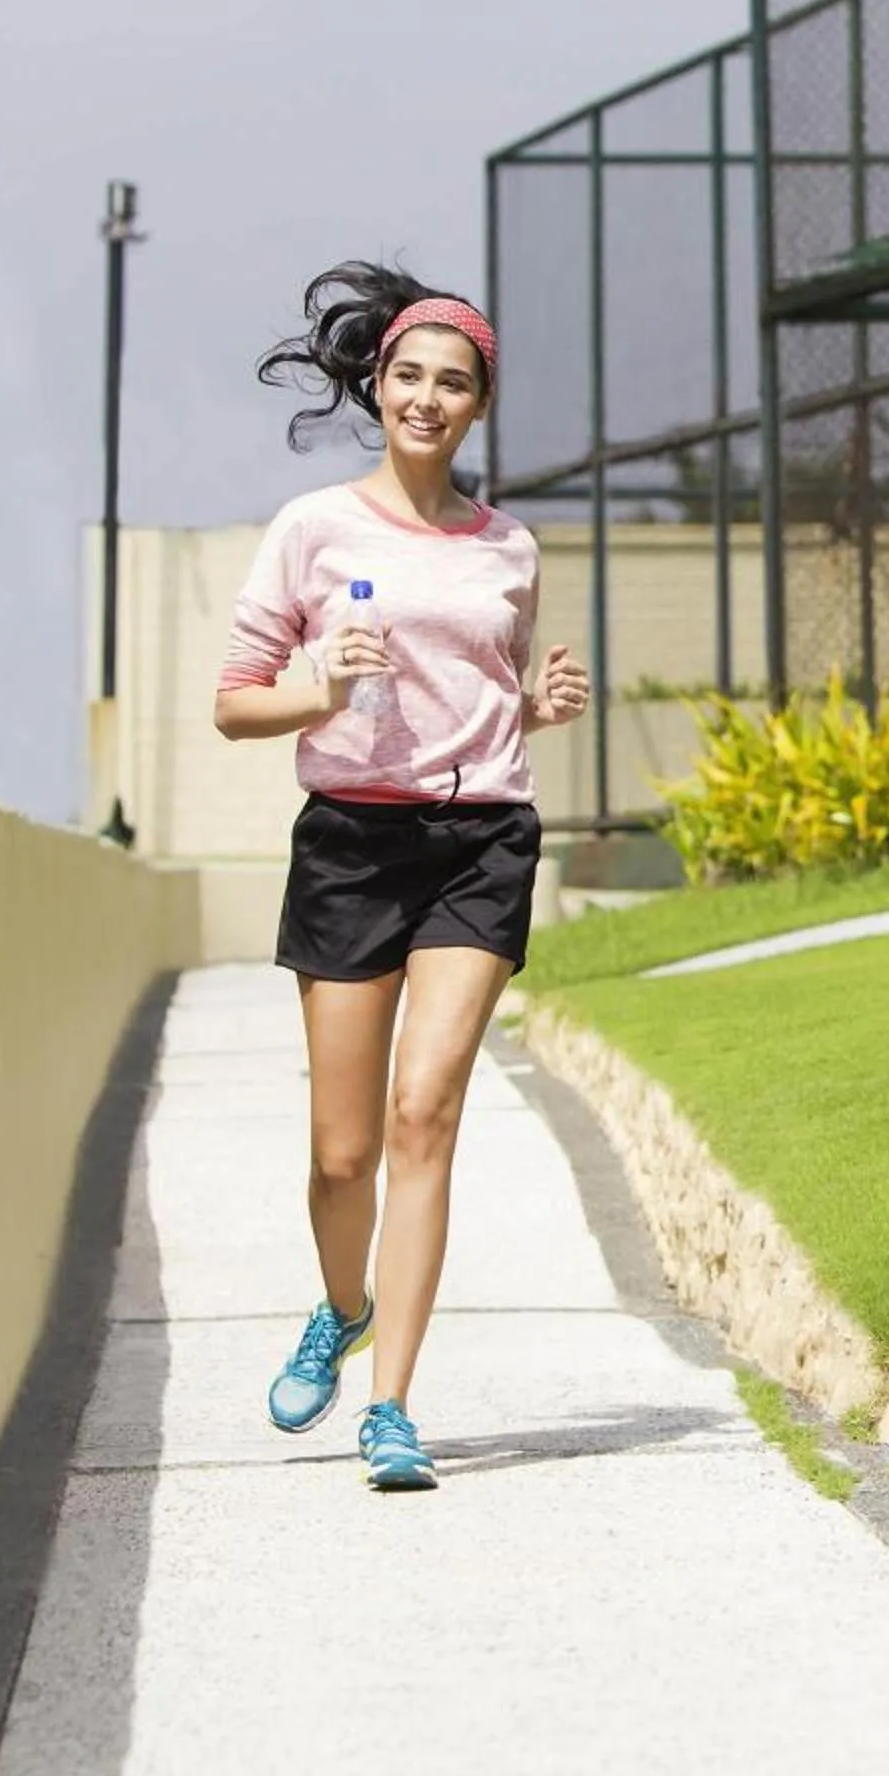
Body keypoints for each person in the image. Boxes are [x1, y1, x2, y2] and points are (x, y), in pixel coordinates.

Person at [212, 261, 588, 1492]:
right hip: (351, 846)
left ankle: (393, 1410)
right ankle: (341, 1305)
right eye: (410, 376)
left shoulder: (510, 549)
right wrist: (318, 689)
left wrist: (534, 708)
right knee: (341, 1154)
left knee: (426, 1116)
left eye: (455, 383)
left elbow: (484, 701)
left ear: (480, 406)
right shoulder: (313, 529)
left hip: (480, 841)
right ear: (378, 383)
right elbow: (233, 705)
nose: (428, 398)